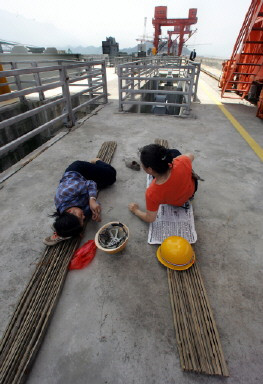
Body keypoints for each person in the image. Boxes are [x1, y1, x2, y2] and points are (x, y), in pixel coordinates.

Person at [44, 158, 116, 245]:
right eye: (83, 219)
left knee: (111, 176)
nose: (84, 217)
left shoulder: (66, 192)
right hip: (81, 186)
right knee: (101, 186)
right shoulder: (69, 214)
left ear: (70, 211)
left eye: (81, 216)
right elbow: (94, 206)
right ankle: (63, 234)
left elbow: (90, 183)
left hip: (79, 171)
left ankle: (96, 161)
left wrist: (92, 200)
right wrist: (95, 211)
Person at [128, 144, 197, 223]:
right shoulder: (181, 161)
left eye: (142, 164)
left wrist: (135, 210)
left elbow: (150, 219)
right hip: (191, 190)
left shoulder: (152, 193)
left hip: (176, 202)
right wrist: (177, 160)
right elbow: (191, 155)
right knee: (175, 152)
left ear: (150, 170)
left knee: (172, 154)